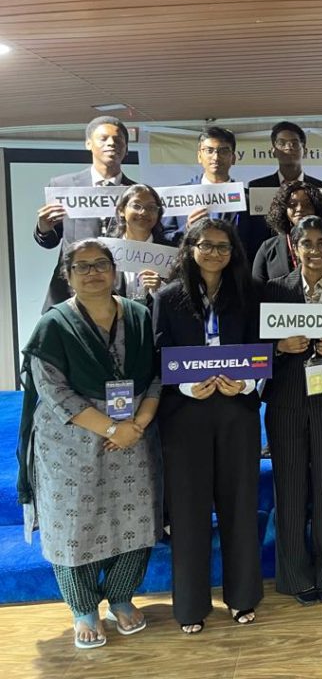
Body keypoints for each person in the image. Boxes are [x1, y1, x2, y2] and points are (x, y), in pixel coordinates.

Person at [18, 240, 161, 649]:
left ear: (114, 271)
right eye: (82, 266)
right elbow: (53, 391)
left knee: (136, 518)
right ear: (68, 276)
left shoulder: (138, 314)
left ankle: (121, 596)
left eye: (101, 264)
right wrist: (111, 429)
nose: (93, 272)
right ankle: (83, 608)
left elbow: (156, 375)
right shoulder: (54, 325)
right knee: (74, 522)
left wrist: (139, 423)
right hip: (73, 441)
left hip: (134, 433)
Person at [153, 218, 263, 633]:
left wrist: (247, 382)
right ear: (190, 249)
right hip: (186, 414)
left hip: (237, 410)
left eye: (223, 246)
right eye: (206, 245)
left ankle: (243, 597)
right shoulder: (167, 297)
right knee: (189, 511)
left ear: (233, 252)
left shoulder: (248, 294)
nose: (215, 253)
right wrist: (184, 387)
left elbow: (261, 348)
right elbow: (158, 353)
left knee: (240, 506)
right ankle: (191, 606)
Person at [261, 216, 322, 604]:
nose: (315, 250)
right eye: (307, 243)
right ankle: (294, 576)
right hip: (286, 402)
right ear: (294, 248)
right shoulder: (273, 291)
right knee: (289, 490)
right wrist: (278, 348)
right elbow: (253, 348)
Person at [34, 116, 135, 311]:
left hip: (118, 293)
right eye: (103, 138)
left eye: (118, 140)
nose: (111, 144)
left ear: (126, 148)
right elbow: (50, 241)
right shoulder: (63, 186)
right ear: (88, 143)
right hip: (70, 292)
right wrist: (43, 228)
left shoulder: (136, 193)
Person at [245, 121, 322, 256]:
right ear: (273, 150)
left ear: (305, 151)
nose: (288, 147)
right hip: (269, 256)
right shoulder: (257, 186)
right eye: (282, 143)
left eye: (294, 143)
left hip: (312, 255)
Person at [164, 126, 253, 253]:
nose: (216, 157)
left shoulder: (248, 198)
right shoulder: (178, 195)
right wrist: (187, 228)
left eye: (223, 151)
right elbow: (164, 239)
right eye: (209, 150)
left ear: (233, 158)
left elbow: (258, 242)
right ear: (199, 156)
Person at [251, 180, 322, 284]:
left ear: (316, 209)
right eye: (292, 204)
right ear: (283, 210)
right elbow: (256, 288)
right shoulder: (268, 248)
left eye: (307, 204)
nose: (300, 209)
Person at [106, 183, 175, 303]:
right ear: (121, 210)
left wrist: (161, 289)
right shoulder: (107, 250)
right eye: (136, 206)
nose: (143, 212)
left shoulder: (172, 252)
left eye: (151, 207)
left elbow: (183, 296)